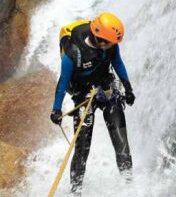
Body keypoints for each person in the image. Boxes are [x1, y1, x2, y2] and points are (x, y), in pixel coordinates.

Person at [50, 12, 135, 195]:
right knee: (82, 148)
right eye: (111, 43)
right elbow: (63, 82)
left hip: (106, 87)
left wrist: (128, 88)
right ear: (100, 39)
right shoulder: (73, 53)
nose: (114, 46)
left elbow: (117, 63)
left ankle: (130, 187)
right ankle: (76, 192)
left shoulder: (110, 46)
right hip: (82, 95)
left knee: (122, 143)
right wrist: (56, 110)